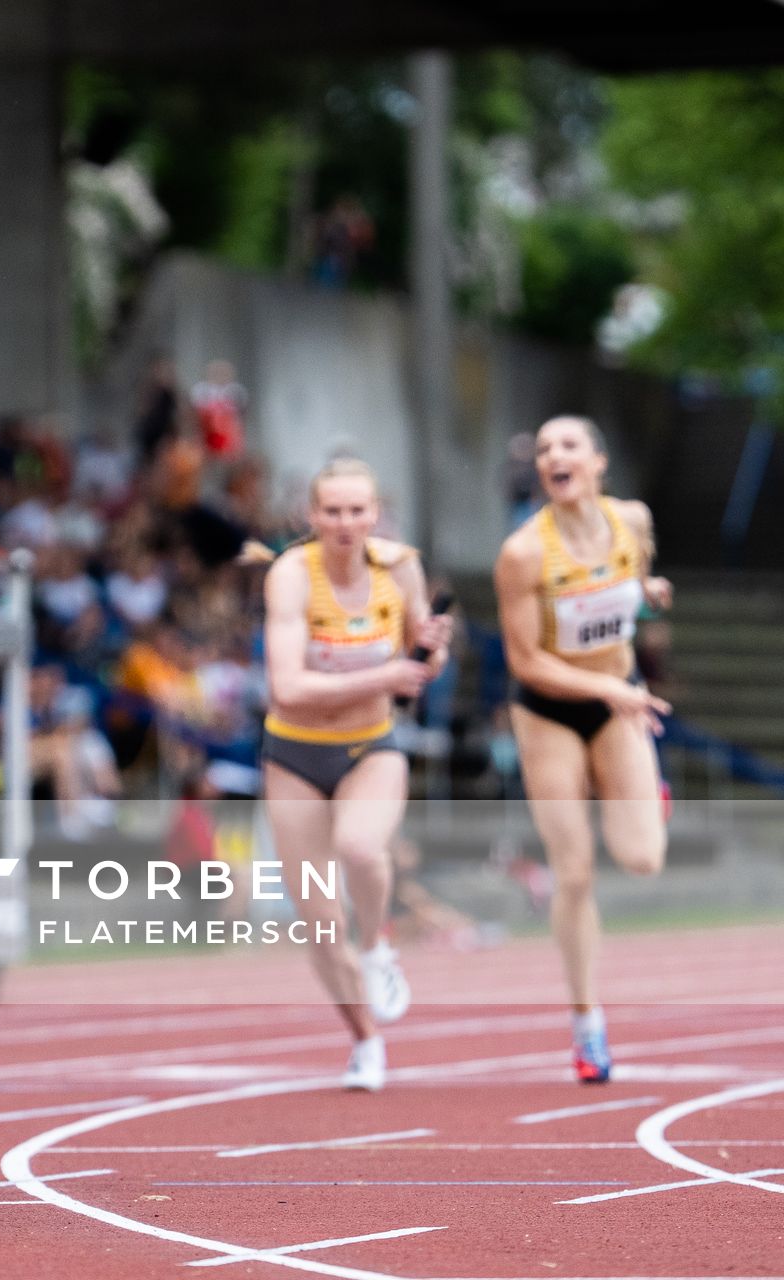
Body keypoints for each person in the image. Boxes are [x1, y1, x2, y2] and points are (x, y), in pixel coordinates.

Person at [260, 457, 450, 1092]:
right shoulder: (291, 576)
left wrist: (432, 648)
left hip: (371, 745)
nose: (345, 523)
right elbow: (286, 687)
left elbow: (421, 653)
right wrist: (386, 676)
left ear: (376, 514)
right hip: (295, 755)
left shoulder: (400, 567)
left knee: (361, 846)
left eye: (357, 511)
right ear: (312, 517)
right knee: (317, 922)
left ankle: (380, 947)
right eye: (332, 512)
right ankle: (366, 1041)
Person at [494, 415, 672, 1084]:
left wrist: (646, 597)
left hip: (617, 695)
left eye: (567, 445)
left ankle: (648, 796)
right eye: (542, 448)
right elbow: (526, 660)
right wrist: (610, 693)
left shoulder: (632, 520)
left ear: (598, 461)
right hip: (550, 713)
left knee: (643, 858)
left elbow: (637, 582)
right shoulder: (523, 553)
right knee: (575, 874)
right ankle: (587, 1023)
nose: (552, 456)